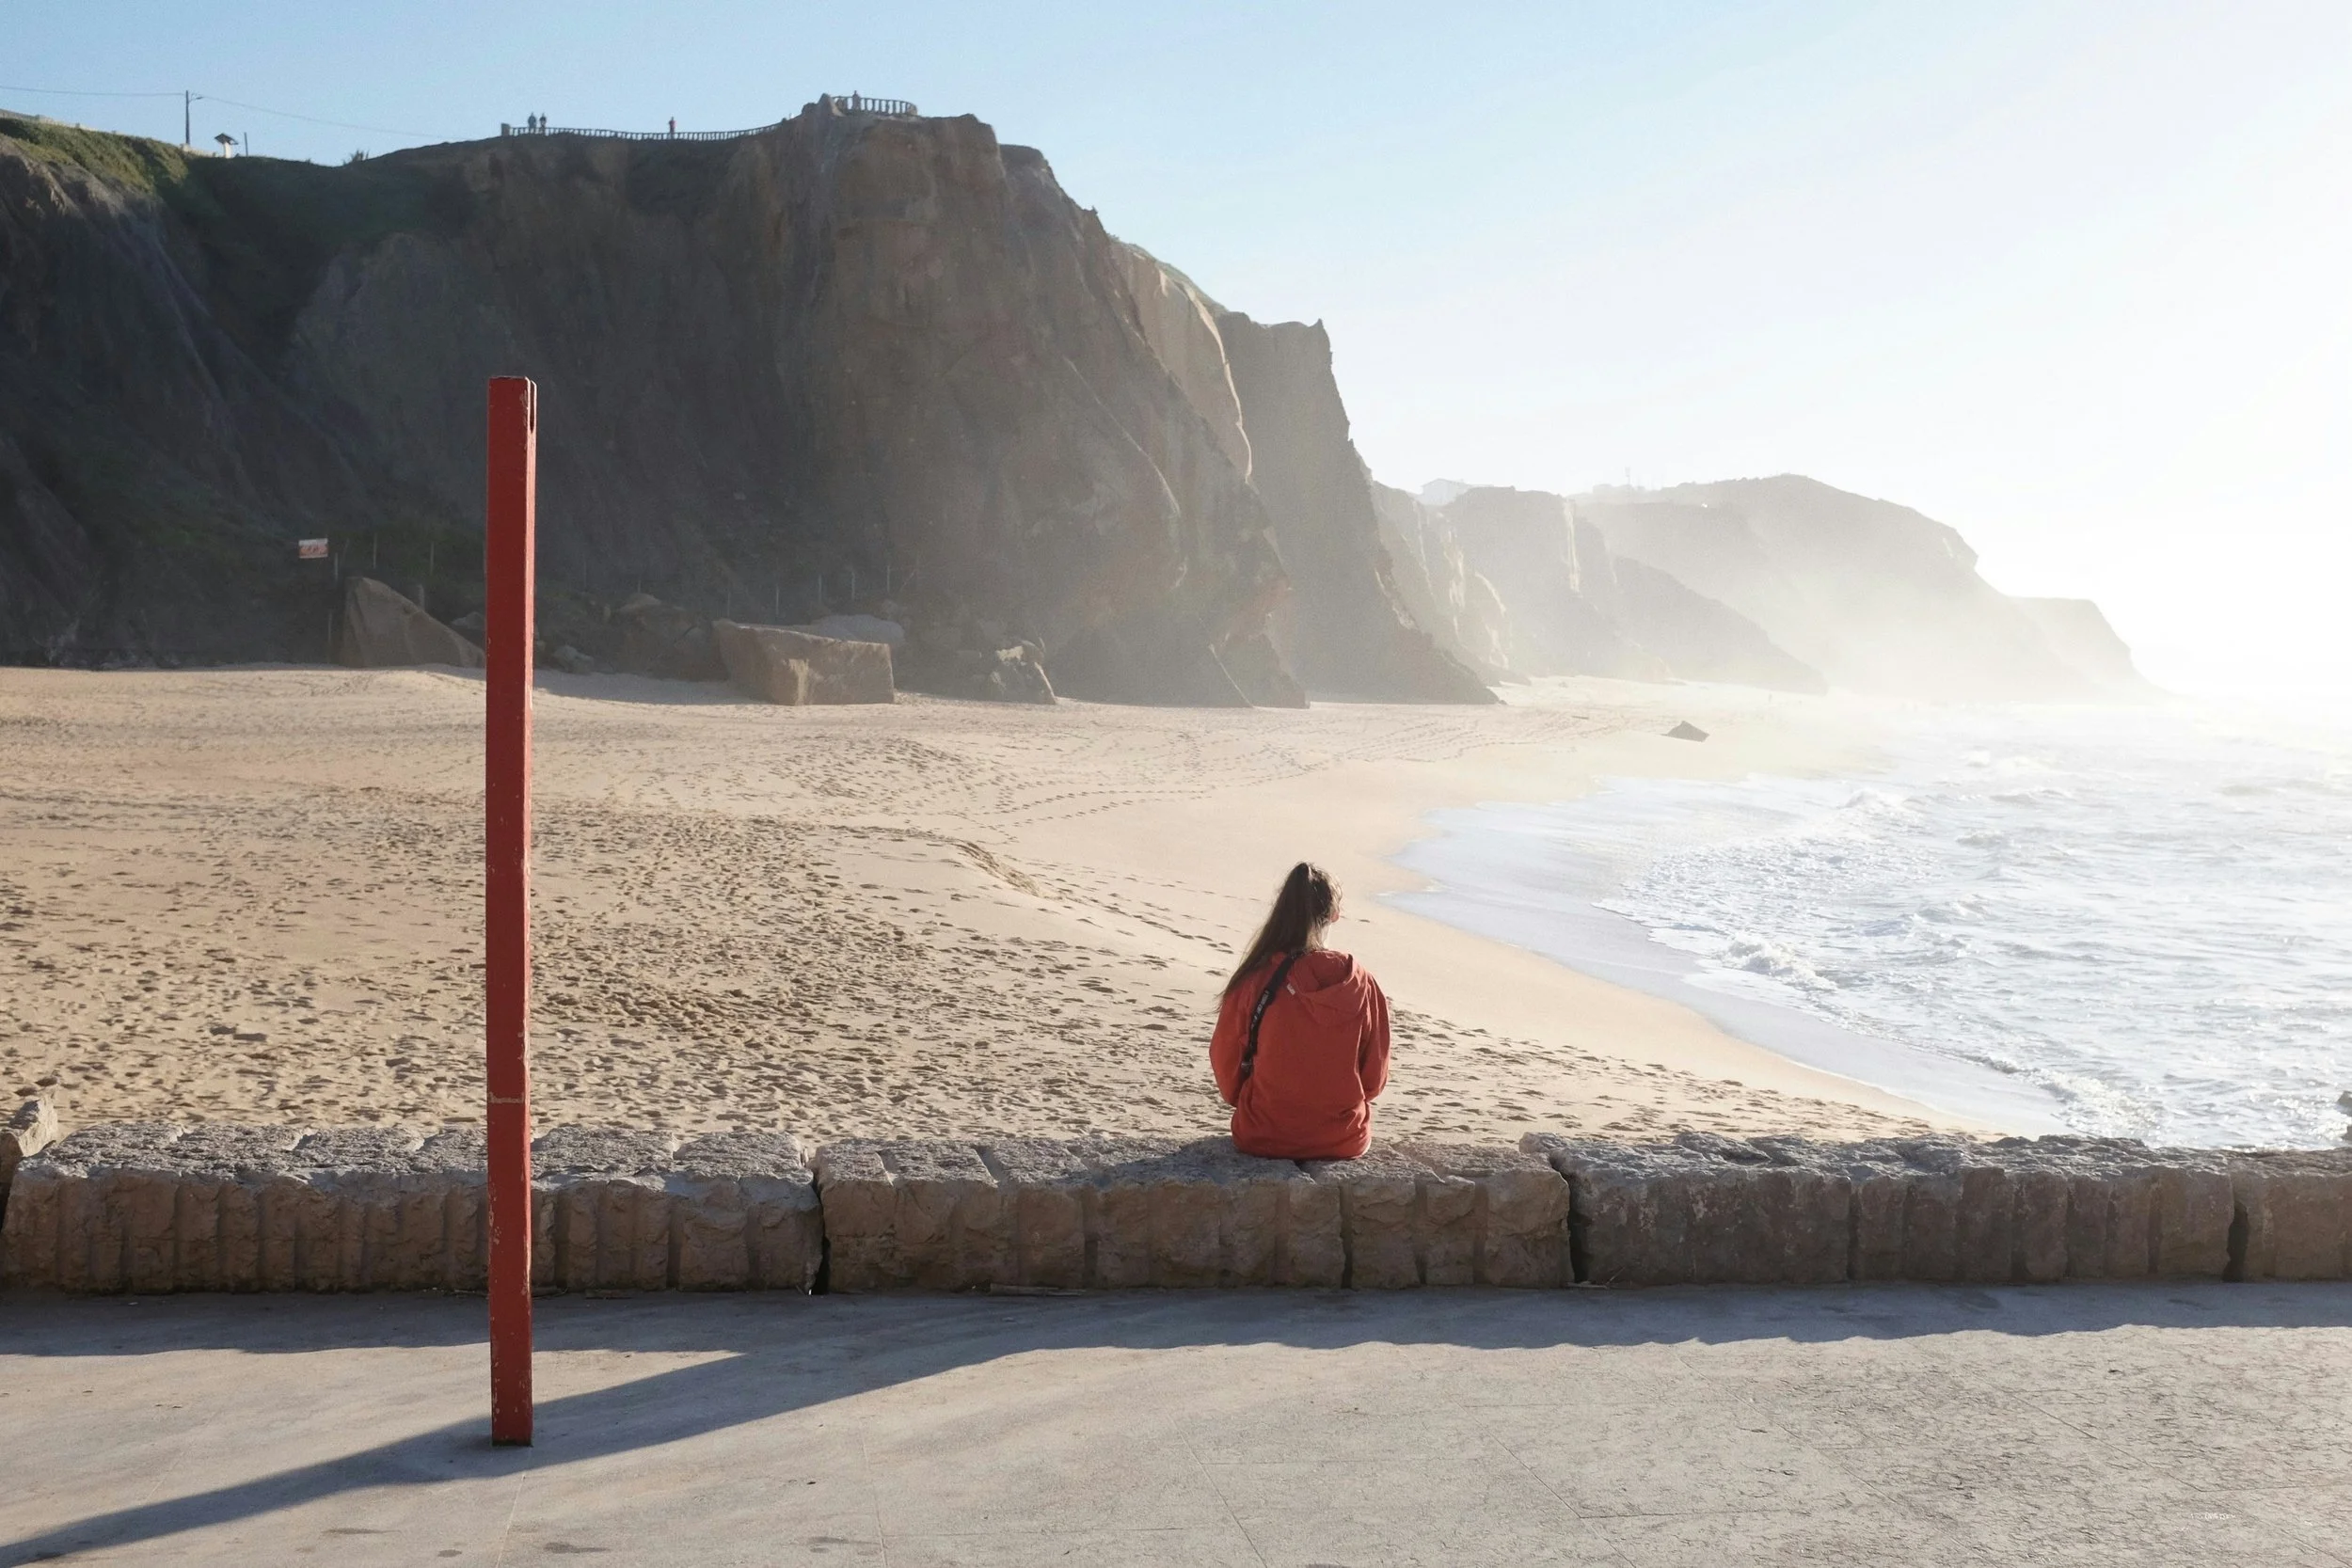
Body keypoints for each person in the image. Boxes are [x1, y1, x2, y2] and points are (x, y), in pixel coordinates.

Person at [1210, 863, 1391, 1160]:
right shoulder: (1361, 983)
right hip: (1342, 1138)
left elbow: (1227, 1074)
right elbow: (1373, 1081)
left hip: (1263, 1134)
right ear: (1335, 914)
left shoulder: (1255, 980)